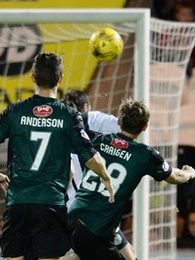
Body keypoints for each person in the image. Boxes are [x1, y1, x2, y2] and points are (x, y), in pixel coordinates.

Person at [0, 52, 114, 259]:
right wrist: (106, 178)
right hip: (51, 204)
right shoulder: (68, 115)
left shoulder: (14, 111)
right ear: (60, 79)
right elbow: (90, 157)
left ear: (33, 77)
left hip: (17, 204)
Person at [69, 99, 195, 259]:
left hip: (73, 218)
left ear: (120, 121)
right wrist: (190, 173)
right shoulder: (145, 155)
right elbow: (175, 177)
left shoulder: (97, 140)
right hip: (96, 229)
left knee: (128, 254)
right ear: (145, 127)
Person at [62, 90, 135, 260]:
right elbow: (127, 129)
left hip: (69, 207)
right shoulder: (97, 121)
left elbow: (69, 173)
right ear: (86, 106)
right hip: (97, 204)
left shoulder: (60, 129)